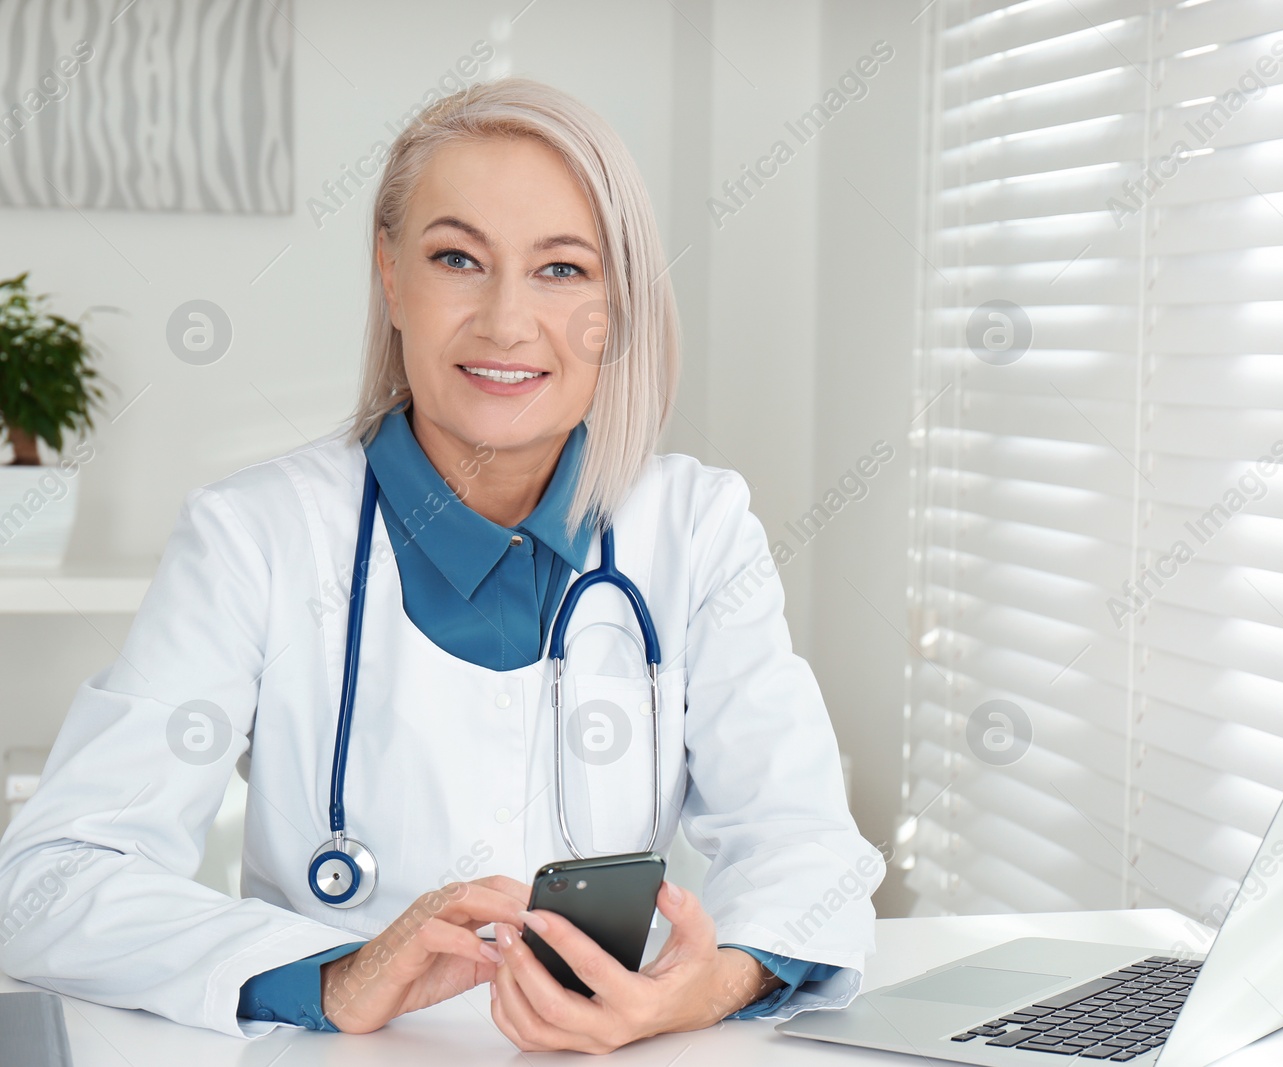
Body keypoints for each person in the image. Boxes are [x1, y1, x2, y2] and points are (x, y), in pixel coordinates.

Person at [0, 78, 883, 1054]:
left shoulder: (697, 527)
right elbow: (53, 877)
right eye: (457, 258)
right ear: (390, 275)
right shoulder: (256, 534)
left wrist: (696, 989)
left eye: (561, 269)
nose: (505, 321)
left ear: (616, 304)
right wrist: (342, 973)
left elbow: (809, 854)